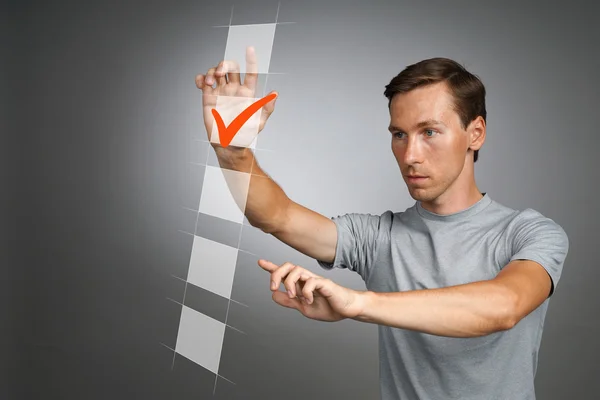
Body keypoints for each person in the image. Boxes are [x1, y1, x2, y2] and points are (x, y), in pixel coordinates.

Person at [195, 47, 569, 400]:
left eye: (430, 132)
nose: (410, 155)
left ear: (475, 133)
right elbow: (276, 216)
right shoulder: (378, 237)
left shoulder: (529, 233)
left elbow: (504, 306)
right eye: (399, 135)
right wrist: (232, 151)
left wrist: (357, 303)